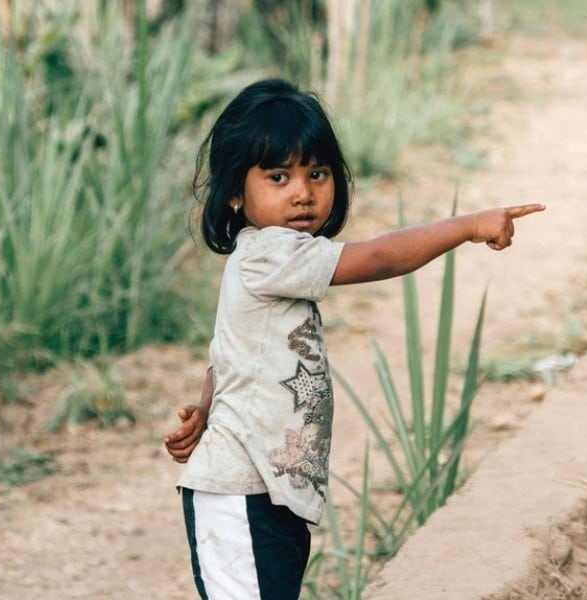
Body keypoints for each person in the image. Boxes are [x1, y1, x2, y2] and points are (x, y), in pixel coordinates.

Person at [163, 78, 544, 599]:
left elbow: (226, 358)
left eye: (316, 173)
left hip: (270, 493)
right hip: (240, 492)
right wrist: (469, 225)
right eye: (278, 176)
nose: (303, 192)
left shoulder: (276, 260)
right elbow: (379, 258)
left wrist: (206, 408)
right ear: (235, 192)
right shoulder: (268, 254)